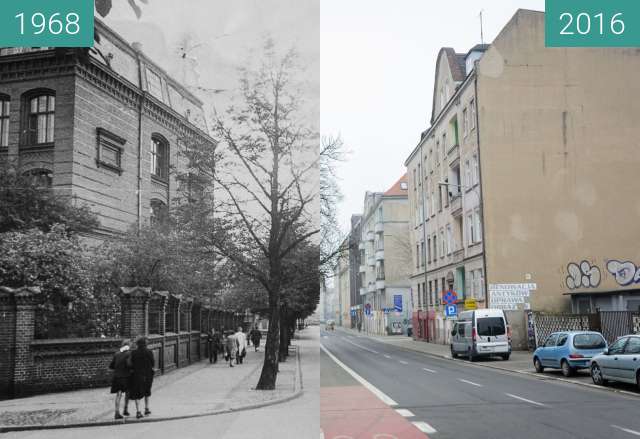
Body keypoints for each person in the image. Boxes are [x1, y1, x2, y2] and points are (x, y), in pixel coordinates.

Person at [129, 337, 155, 419]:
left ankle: (138, 412)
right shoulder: (149, 352)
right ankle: (146, 408)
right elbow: (153, 363)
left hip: (137, 375)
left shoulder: (134, 353)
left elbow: (131, 364)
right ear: (145, 344)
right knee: (147, 391)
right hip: (147, 375)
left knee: (137, 393)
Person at [109, 339, 131, 420]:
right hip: (126, 377)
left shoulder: (116, 354)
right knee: (128, 392)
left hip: (117, 377)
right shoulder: (129, 353)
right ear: (128, 345)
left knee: (118, 394)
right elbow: (129, 365)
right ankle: (125, 409)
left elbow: (111, 366)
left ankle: (116, 412)